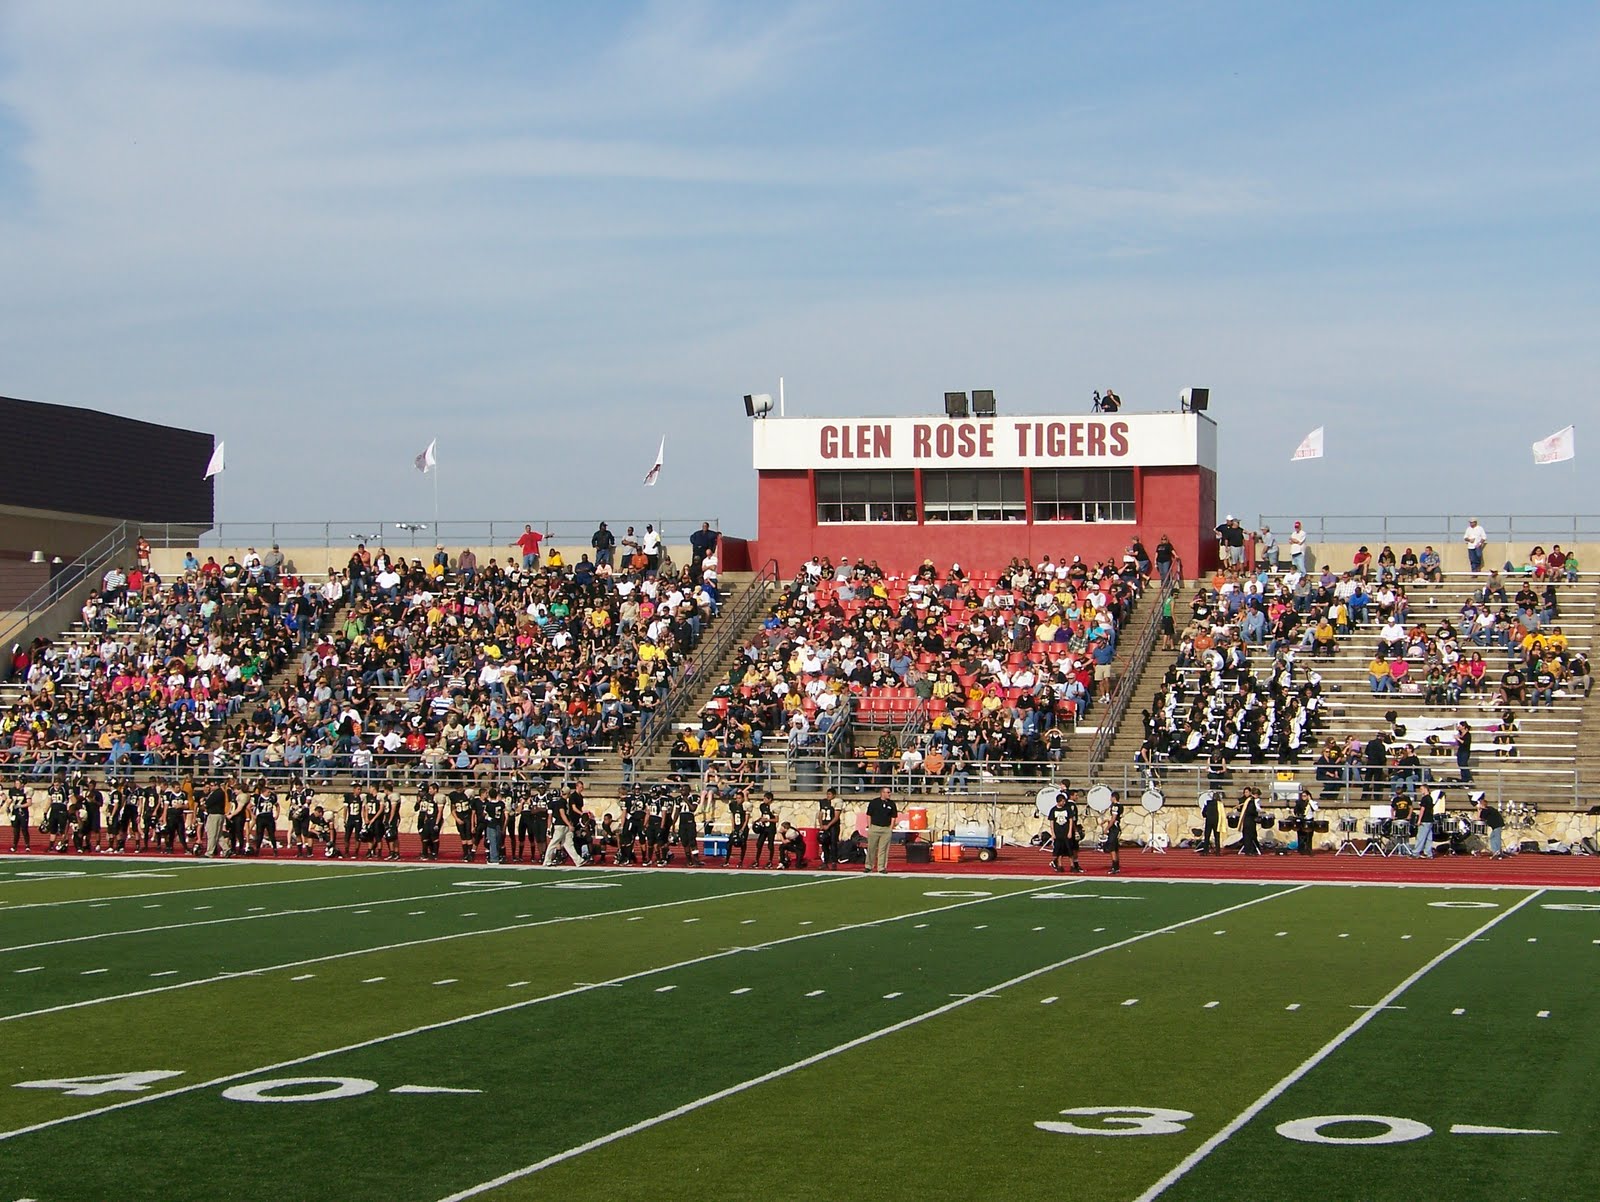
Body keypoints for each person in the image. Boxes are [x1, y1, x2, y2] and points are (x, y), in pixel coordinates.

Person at [543, 786, 588, 867]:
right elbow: (562, 814)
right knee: (554, 842)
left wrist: (569, 823)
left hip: (565, 825)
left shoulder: (564, 802)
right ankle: (547, 860)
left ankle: (578, 860)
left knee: (569, 844)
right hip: (560, 825)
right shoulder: (561, 802)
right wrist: (569, 824)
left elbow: (566, 815)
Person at [1047, 789, 1083, 874]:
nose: (1064, 803)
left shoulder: (1067, 809)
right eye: (1062, 801)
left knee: (1070, 850)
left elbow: (1071, 820)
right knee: (1059, 851)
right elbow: (1051, 822)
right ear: (1058, 802)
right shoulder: (1053, 810)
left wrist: (1071, 831)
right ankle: (1059, 865)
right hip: (1058, 833)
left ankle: (1072, 866)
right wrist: (1053, 833)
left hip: (1066, 832)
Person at [865, 786, 897, 874]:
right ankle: (869, 866)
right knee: (871, 848)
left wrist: (891, 827)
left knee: (883, 849)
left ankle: (881, 867)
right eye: (888, 792)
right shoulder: (874, 802)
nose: (889, 794)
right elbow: (869, 815)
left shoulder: (891, 804)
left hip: (886, 829)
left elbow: (893, 817)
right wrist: (869, 826)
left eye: (890, 792)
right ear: (882, 793)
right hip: (874, 827)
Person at [817, 787, 842, 869]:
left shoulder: (837, 802)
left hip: (833, 827)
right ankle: (825, 862)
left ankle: (834, 862)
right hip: (824, 825)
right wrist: (821, 825)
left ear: (834, 795)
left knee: (833, 844)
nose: (828, 796)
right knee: (824, 844)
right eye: (827, 794)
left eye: (830, 794)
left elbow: (836, 816)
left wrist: (828, 825)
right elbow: (820, 814)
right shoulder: (823, 802)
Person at [1412, 788, 1438, 858]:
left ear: (1425, 789)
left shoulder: (1424, 798)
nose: (1420, 791)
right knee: (1429, 838)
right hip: (1430, 820)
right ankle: (1428, 853)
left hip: (1425, 820)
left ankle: (1415, 852)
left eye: (1421, 789)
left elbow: (1422, 810)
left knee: (1420, 837)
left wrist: (1419, 820)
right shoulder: (1430, 798)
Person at [1236, 788, 1262, 855]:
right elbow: (1251, 811)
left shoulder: (1249, 800)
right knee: (1249, 835)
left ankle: (1252, 849)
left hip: (1248, 820)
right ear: (1255, 794)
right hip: (1249, 820)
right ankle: (1249, 850)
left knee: (1250, 835)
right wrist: (1256, 812)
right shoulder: (1251, 801)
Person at [1104, 790, 1124, 875]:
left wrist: (1107, 828)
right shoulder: (1120, 806)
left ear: (1113, 798)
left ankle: (1114, 867)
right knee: (1115, 848)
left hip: (1114, 829)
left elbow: (1114, 818)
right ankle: (1117, 867)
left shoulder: (1115, 806)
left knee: (1112, 848)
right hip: (1117, 827)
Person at [1198, 789, 1221, 855]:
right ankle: (1217, 852)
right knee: (1217, 836)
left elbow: (1203, 812)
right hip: (1216, 821)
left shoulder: (1207, 803)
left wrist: (1206, 816)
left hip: (1209, 820)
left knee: (1207, 836)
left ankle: (1206, 851)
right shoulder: (1219, 804)